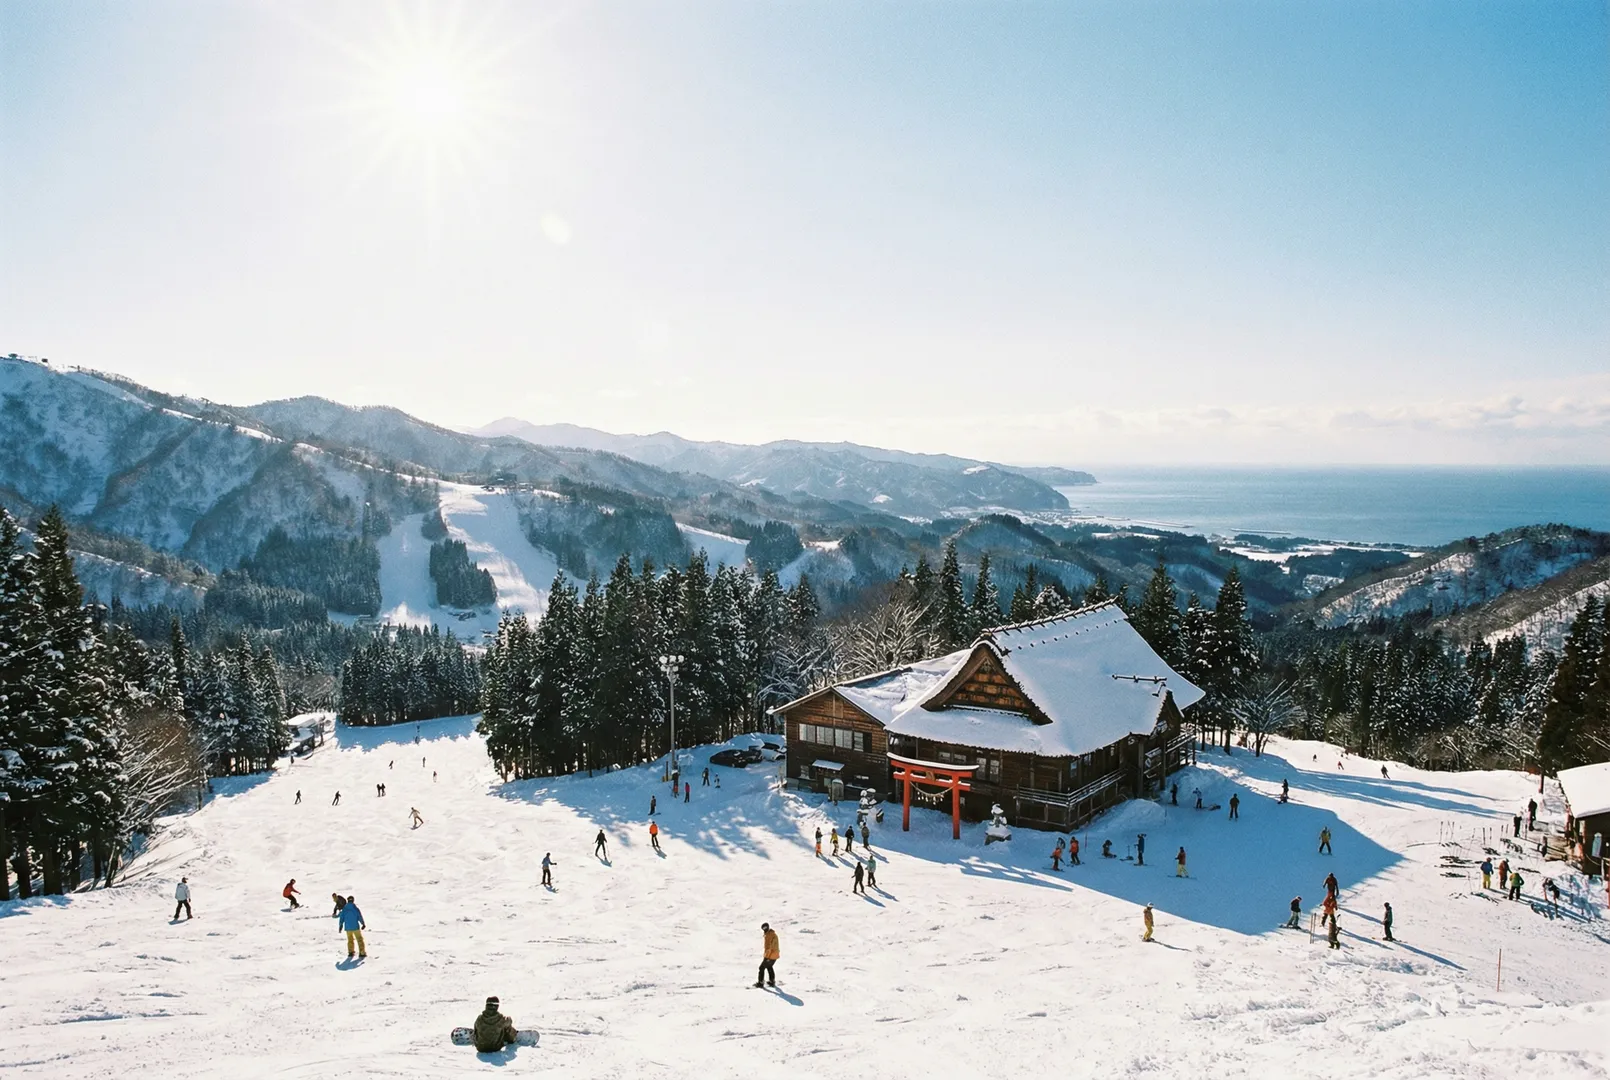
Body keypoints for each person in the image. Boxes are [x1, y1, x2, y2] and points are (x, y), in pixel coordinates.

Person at [756, 923, 780, 987]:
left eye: (764, 928)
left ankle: (760, 983)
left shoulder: (769, 935)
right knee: (769, 966)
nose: (763, 930)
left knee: (761, 968)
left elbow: (769, 948)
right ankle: (772, 981)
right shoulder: (772, 934)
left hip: (770, 955)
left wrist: (766, 957)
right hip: (775, 955)